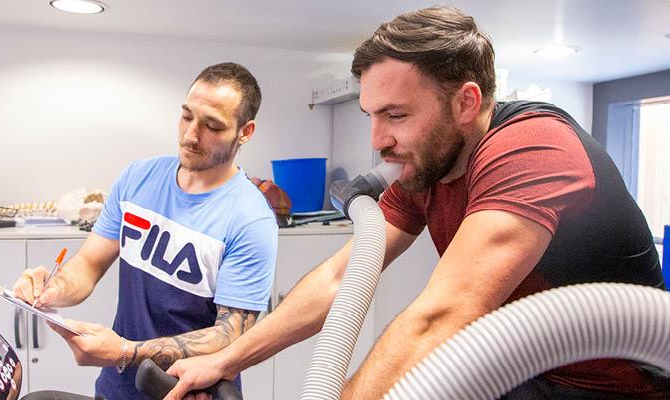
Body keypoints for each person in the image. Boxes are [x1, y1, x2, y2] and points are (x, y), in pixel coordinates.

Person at [163, 6, 669, 400]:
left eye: (396, 114)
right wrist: (227, 359)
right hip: (522, 369)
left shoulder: (532, 148)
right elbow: (344, 277)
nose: (378, 139)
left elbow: (443, 314)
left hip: (612, 386)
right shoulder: (429, 165)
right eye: (371, 115)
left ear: (466, 103)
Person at [12, 62, 278, 400]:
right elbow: (89, 264)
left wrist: (125, 351)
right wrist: (52, 288)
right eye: (186, 116)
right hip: (116, 389)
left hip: (183, 393)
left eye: (212, 125)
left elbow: (230, 335)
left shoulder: (251, 219)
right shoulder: (138, 178)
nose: (191, 135)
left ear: (246, 131)